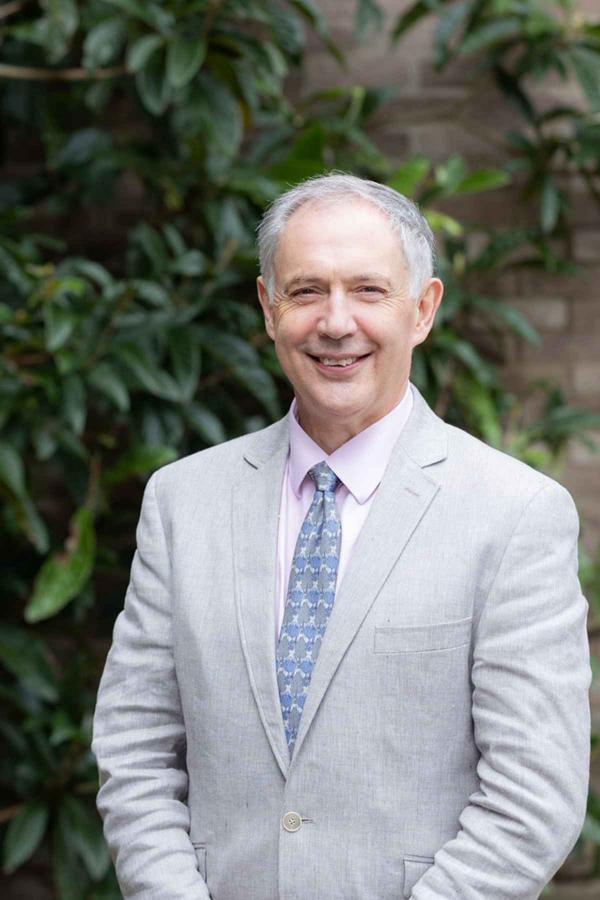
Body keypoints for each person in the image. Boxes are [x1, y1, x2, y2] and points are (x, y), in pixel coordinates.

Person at [92, 173, 591, 900]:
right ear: (268, 309)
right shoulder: (182, 501)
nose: (335, 321)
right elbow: (136, 751)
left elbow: (533, 798)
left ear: (423, 309)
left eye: (368, 291)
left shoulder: (514, 513)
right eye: (305, 291)